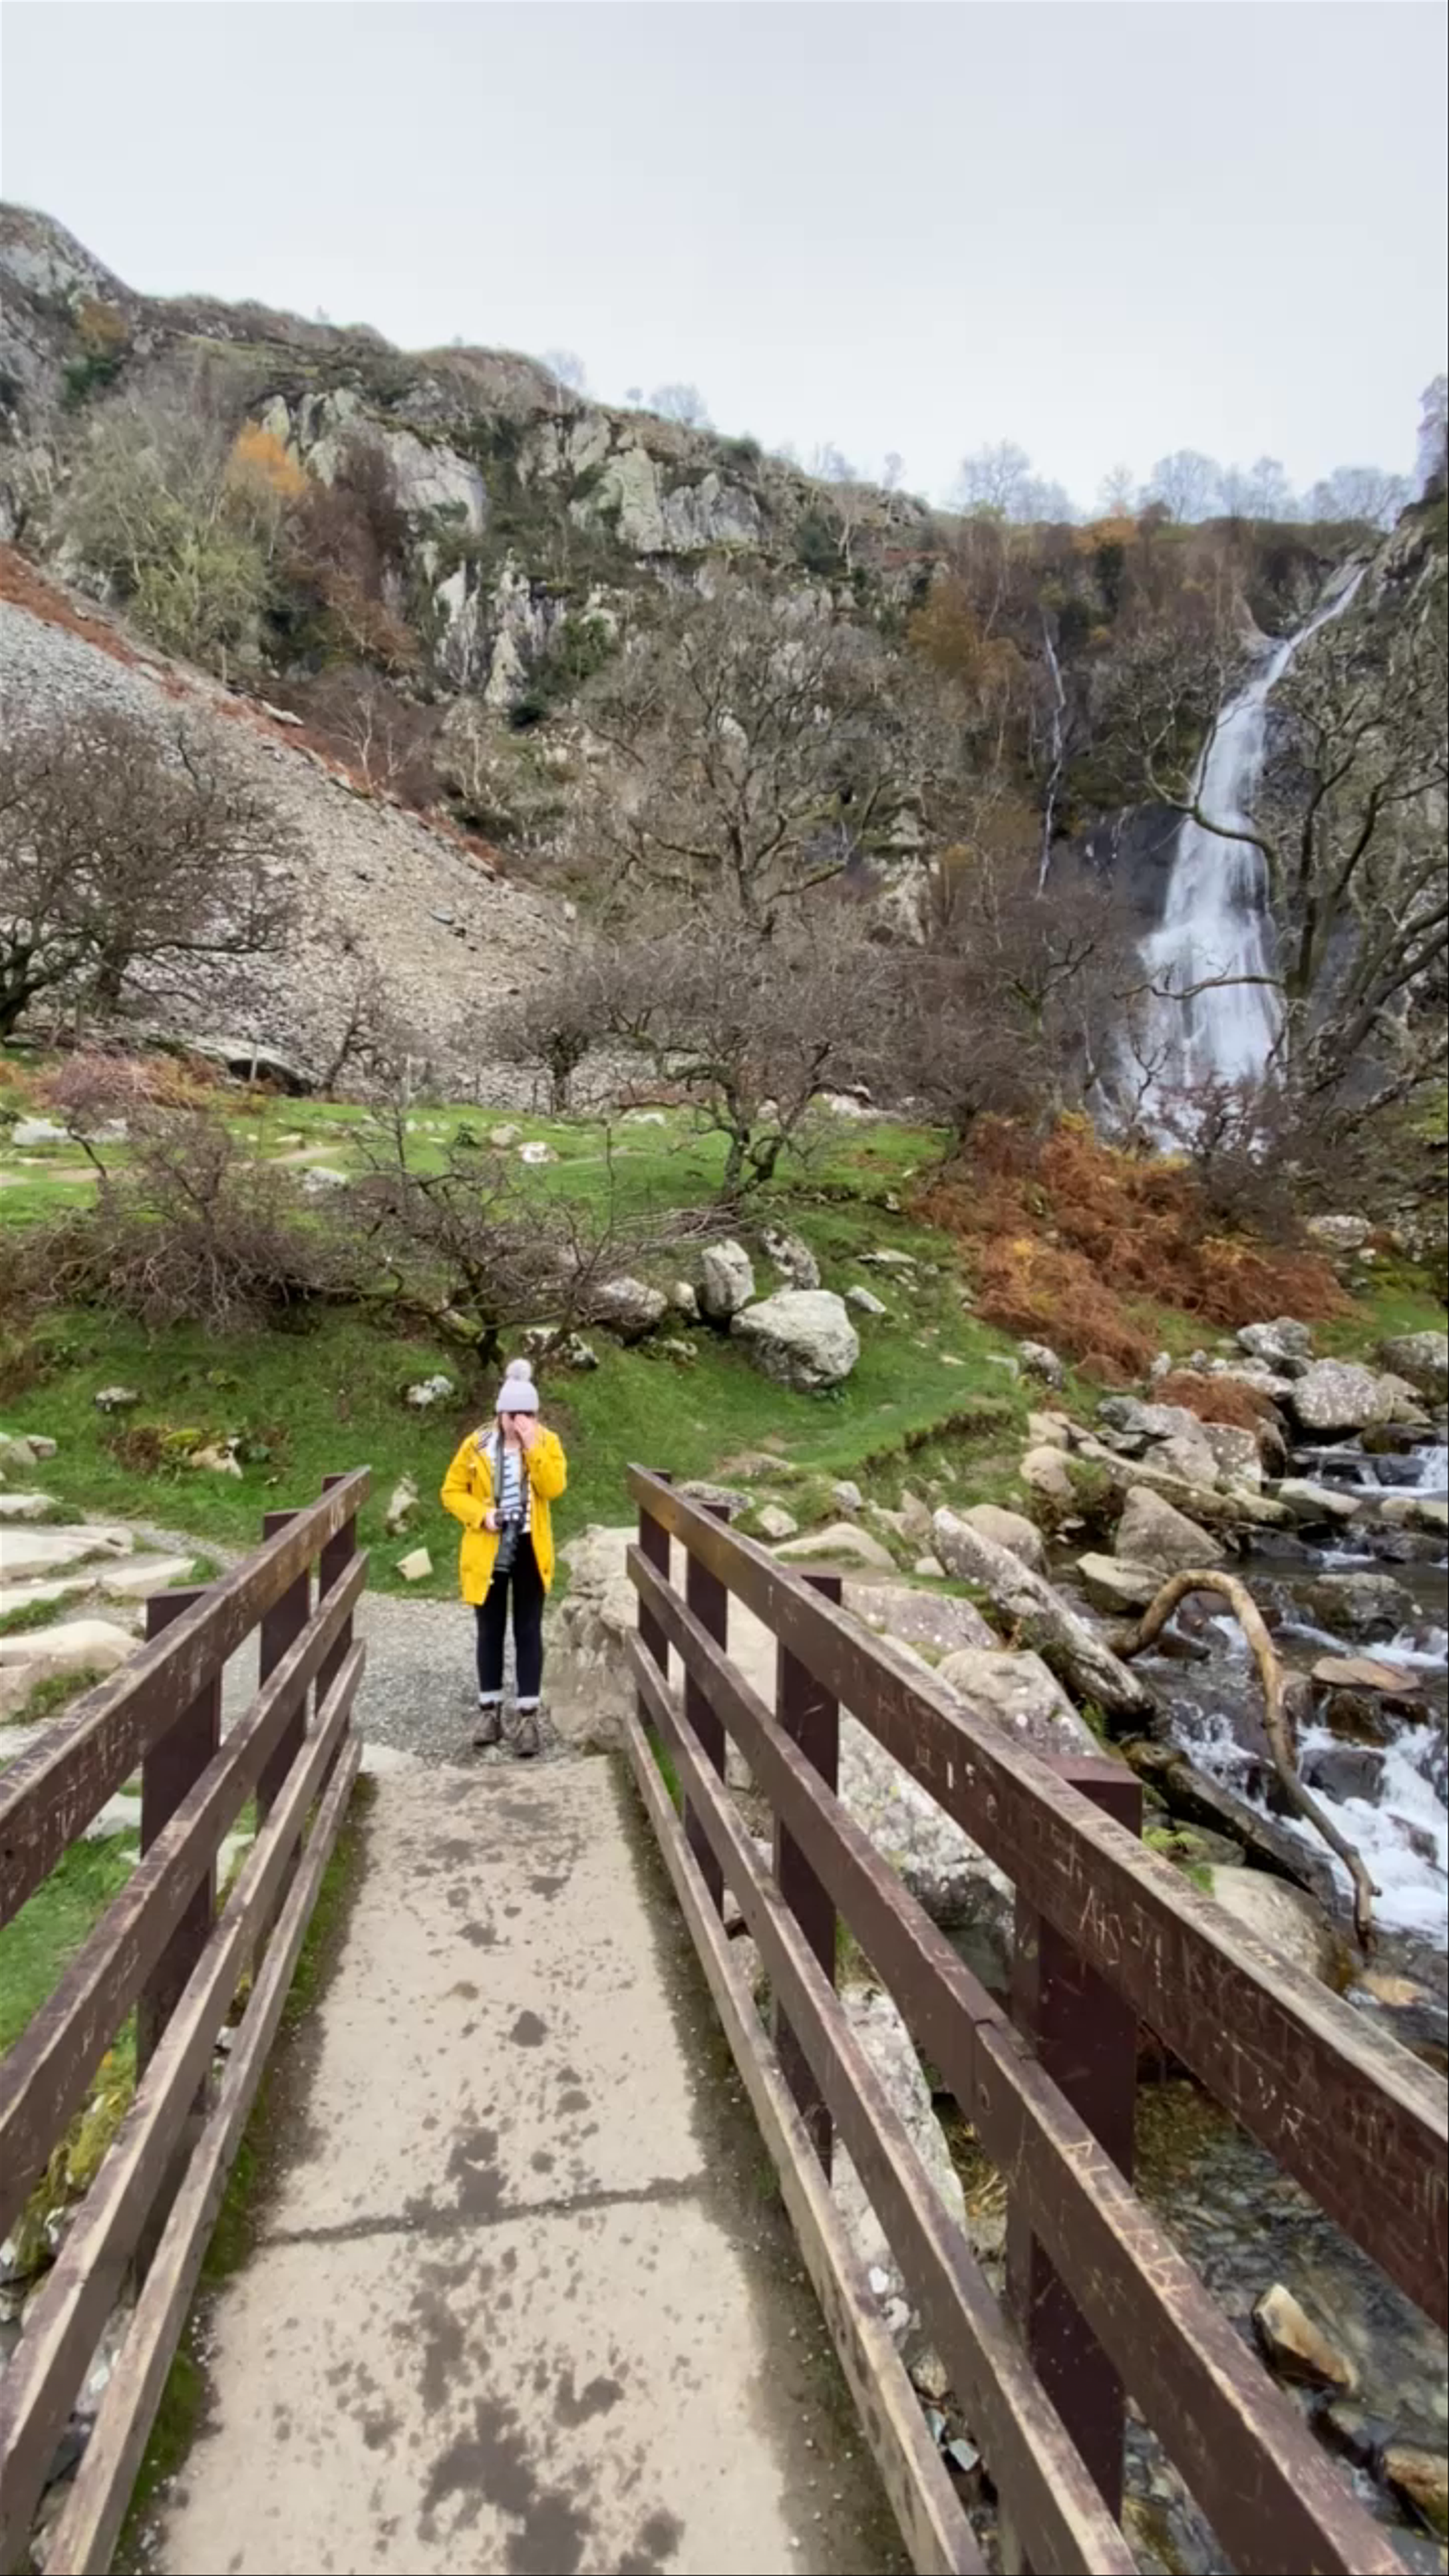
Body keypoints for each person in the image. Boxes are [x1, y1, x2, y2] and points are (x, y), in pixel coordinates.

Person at [440, 1358, 568, 1758]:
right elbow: (451, 1490)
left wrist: (533, 1450)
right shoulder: (477, 1444)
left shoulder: (547, 1442)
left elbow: (553, 1487)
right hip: (488, 1545)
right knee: (490, 1627)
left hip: (531, 1545)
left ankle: (528, 1715)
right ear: (501, 1413)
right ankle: (489, 1710)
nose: (522, 1421)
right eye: (515, 1414)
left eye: (529, 1413)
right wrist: (483, 1515)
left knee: (529, 1628)